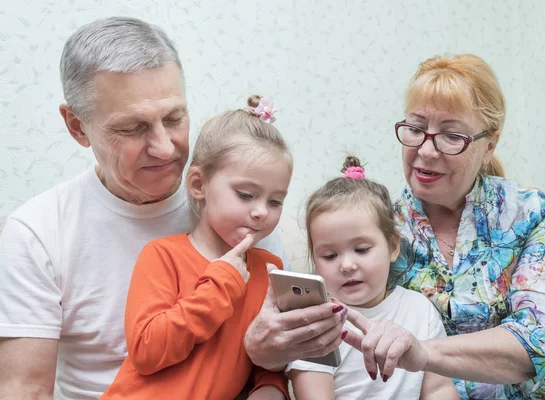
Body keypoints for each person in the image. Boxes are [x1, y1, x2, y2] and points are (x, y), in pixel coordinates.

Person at [0, 17, 343, 400]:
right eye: (132, 128)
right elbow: (24, 389)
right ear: (77, 126)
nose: (165, 148)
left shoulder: (239, 214)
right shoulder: (36, 232)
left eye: (174, 118)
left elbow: (272, 355)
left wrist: (271, 375)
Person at [342, 54, 545, 399]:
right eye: (416, 128)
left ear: (488, 145)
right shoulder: (378, 225)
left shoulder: (531, 213)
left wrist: (424, 352)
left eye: (451, 136)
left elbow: (541, 340)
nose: (426, 150)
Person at [101, 96, 292, 399]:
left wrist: (271, 386)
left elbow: (269, 355)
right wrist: (222, 283)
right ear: (199, 185)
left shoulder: (271, 270)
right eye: (245, 194)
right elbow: (146, 351)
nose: (261, 212)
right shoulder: (163, 255)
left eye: (275, 201)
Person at [287, 156, 458, 400]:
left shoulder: (420, 310)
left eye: (362, 250)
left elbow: (439, 389)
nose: (346, 265)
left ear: (392, 247)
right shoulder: (314, 324)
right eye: (330, 255)